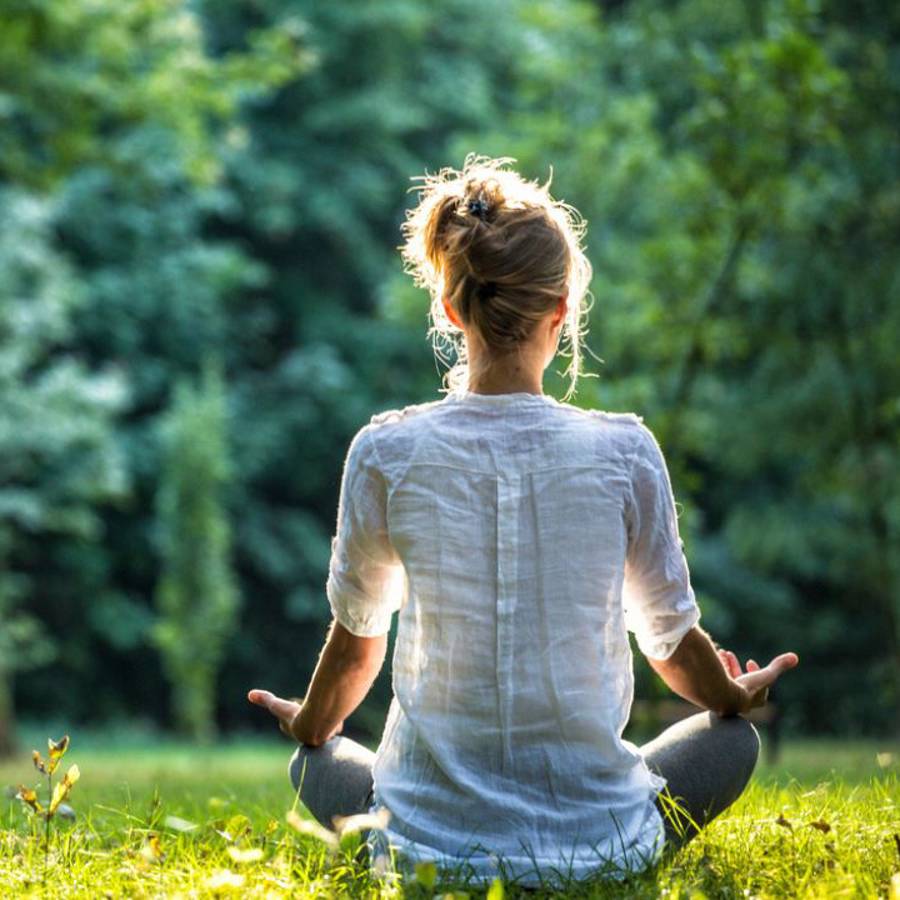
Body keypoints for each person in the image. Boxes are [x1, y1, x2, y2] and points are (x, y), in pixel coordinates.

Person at [248, 154, 799, 889]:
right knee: (732, 745)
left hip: (425, 854)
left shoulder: (385, 451)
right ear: (561, 312)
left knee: (312, 762)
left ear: (451, 308)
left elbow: (357, 647)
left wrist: (311, 724)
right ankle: (599, 853)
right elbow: (669, 643)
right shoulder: (624, 451)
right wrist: (733, 696)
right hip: (601, 844)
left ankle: (415, 833)